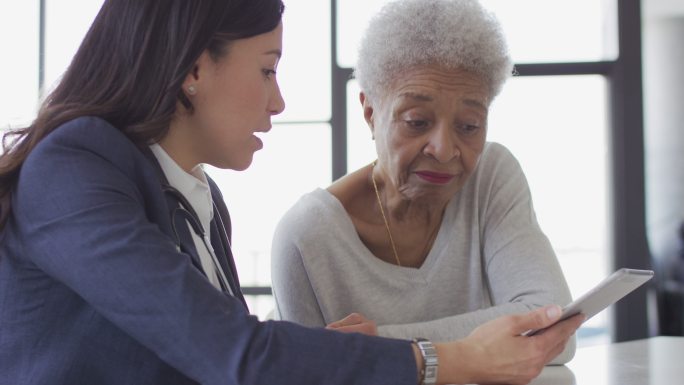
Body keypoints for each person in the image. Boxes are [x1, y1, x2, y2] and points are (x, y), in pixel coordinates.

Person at [0, 1, 582, 384]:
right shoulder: (74, 167)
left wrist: (324, 354)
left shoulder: (200, 201)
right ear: (195, 69)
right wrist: (450, 359)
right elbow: (238, 356)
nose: (277, 101)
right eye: (268, 70)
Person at [271, 0, 577, 364]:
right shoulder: (306, 237)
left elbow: (555, 329)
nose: (445, 150)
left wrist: (378, 345)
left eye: (469, 126)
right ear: (370, 113)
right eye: (417, 121)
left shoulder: (491, 176)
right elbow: (309, 371)